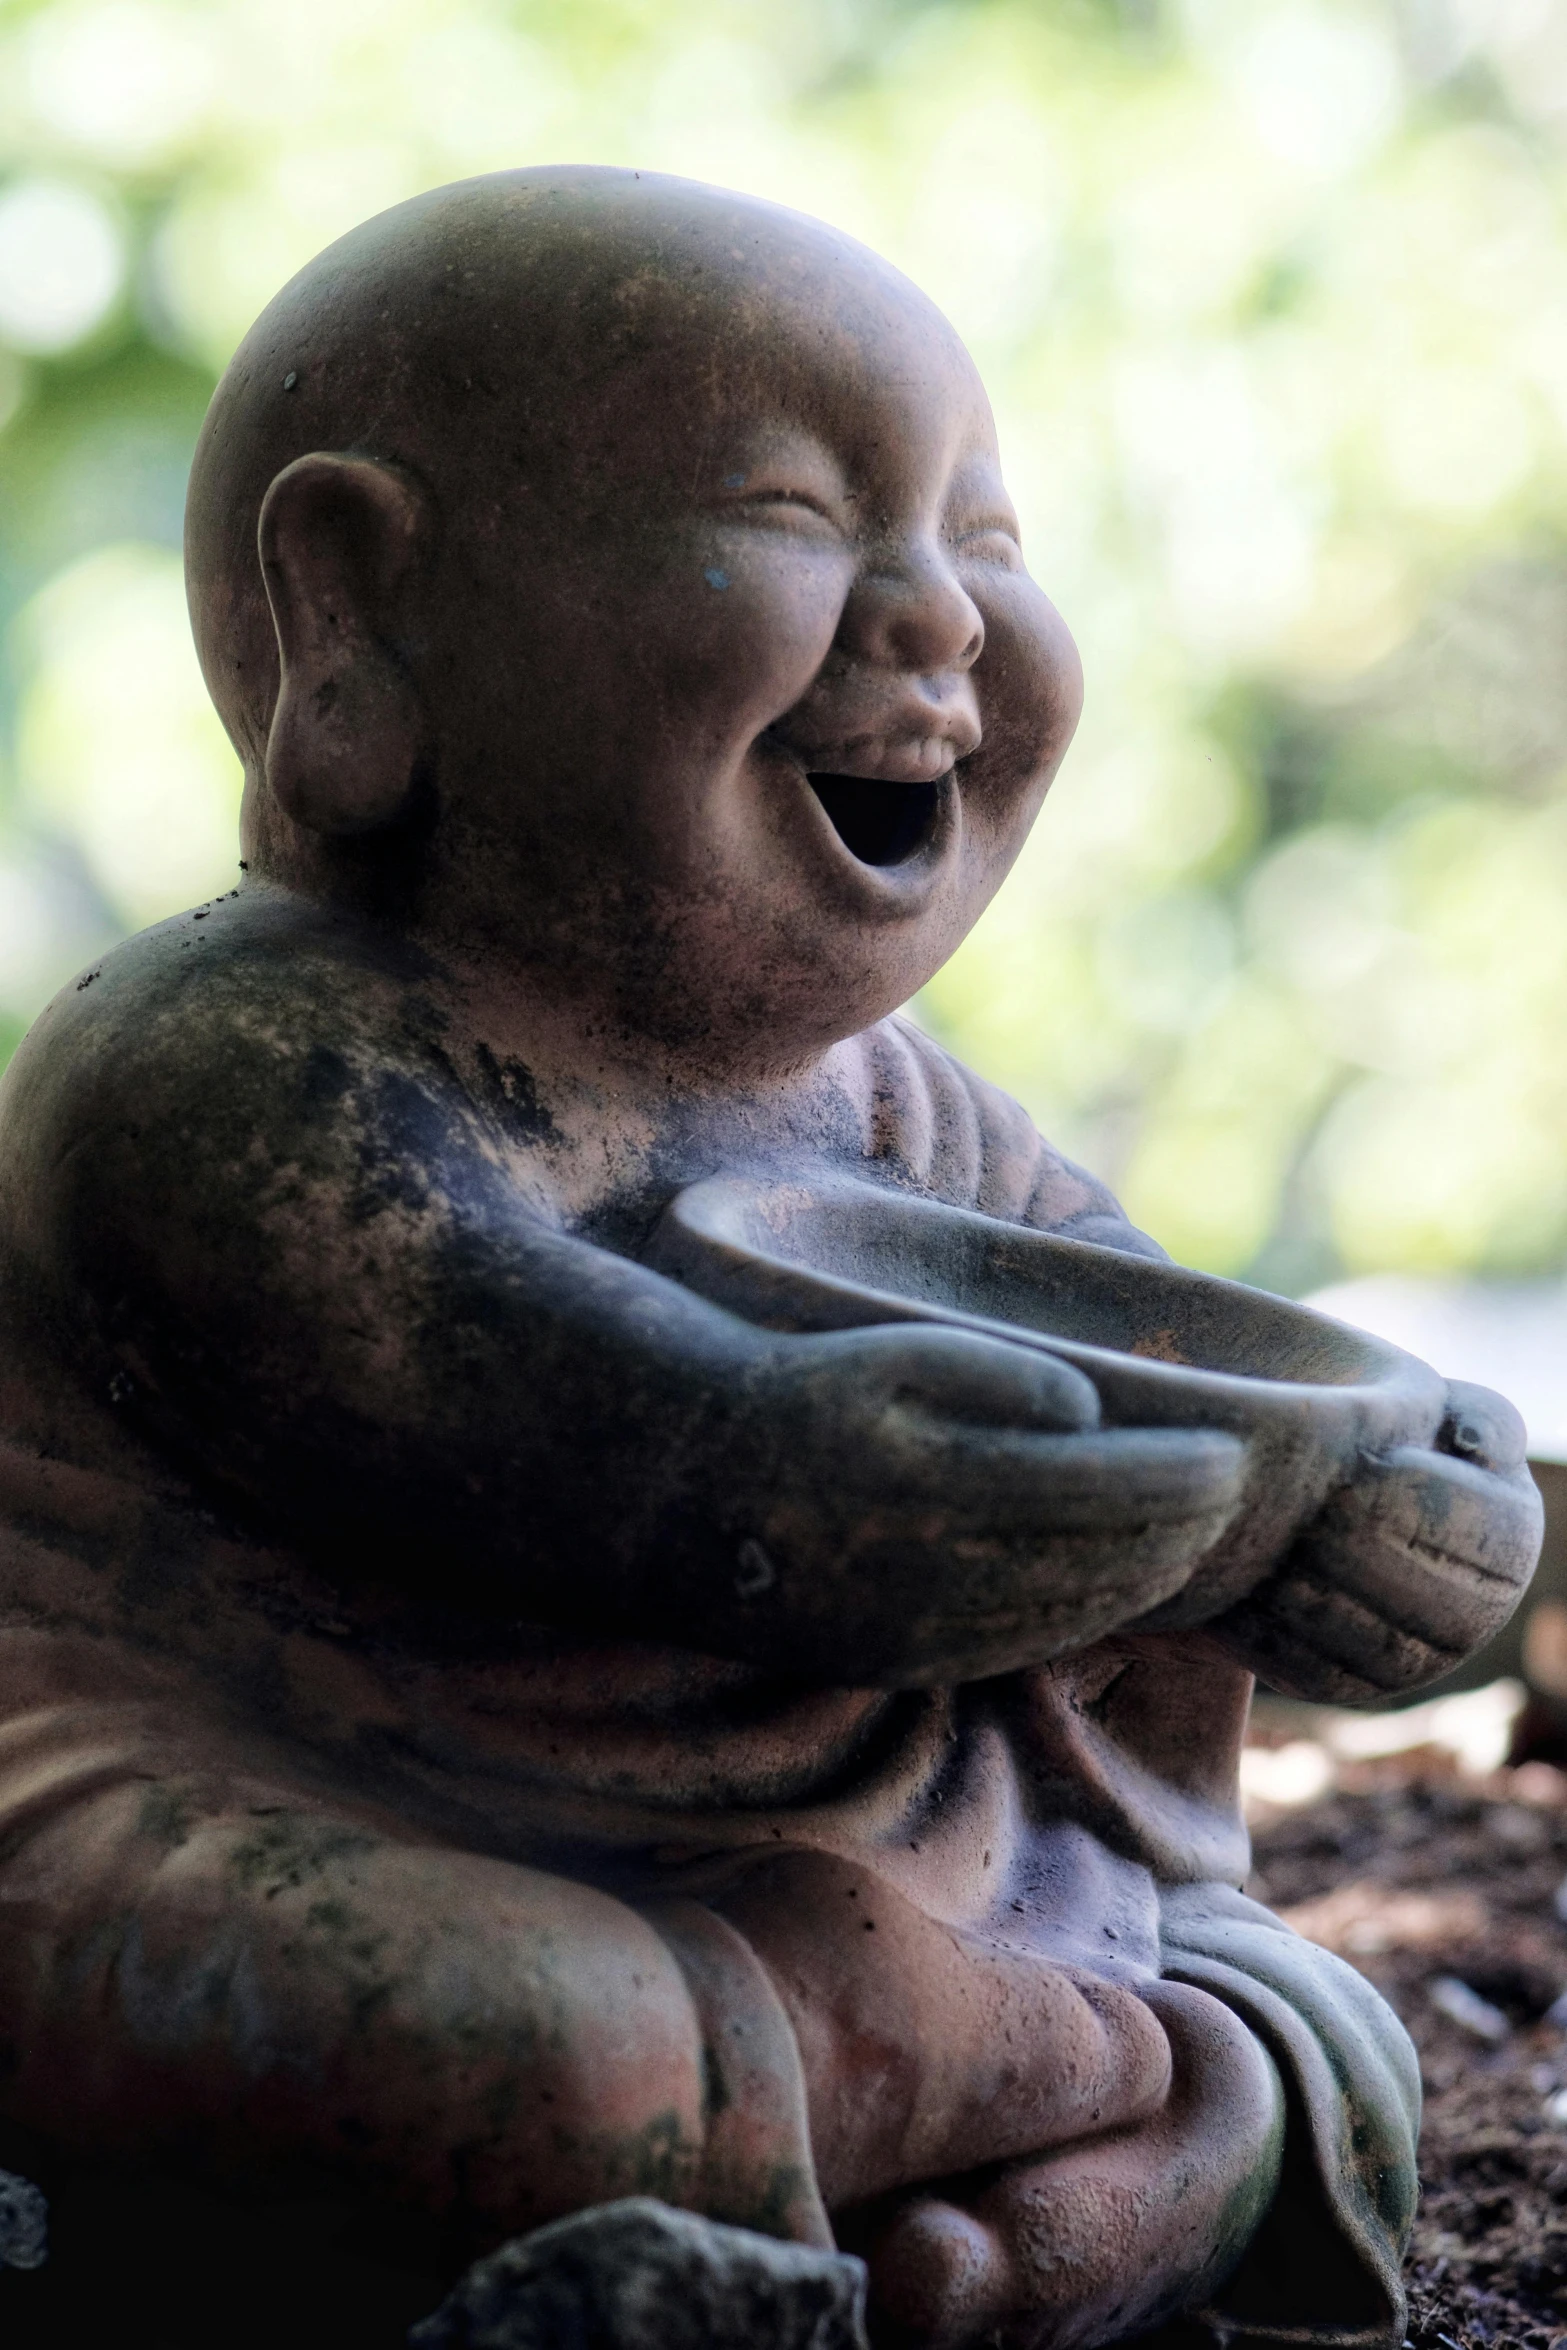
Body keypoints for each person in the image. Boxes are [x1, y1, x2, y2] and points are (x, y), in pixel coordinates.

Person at [0, 169, 1537, 2349]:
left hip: (924, 1878)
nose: (944, 622)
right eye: (798, 510)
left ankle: (952, 2156)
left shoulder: (915, 1106)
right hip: (335, 1805)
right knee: (520, 2045)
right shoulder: (225, 1061)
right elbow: (566, 1423)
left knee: (1303, 2005)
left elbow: (1208, 1368)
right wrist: (820, 1478)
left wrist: (1390, 1489)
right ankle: (983, 2142)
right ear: (355, 616)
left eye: (987, 539)